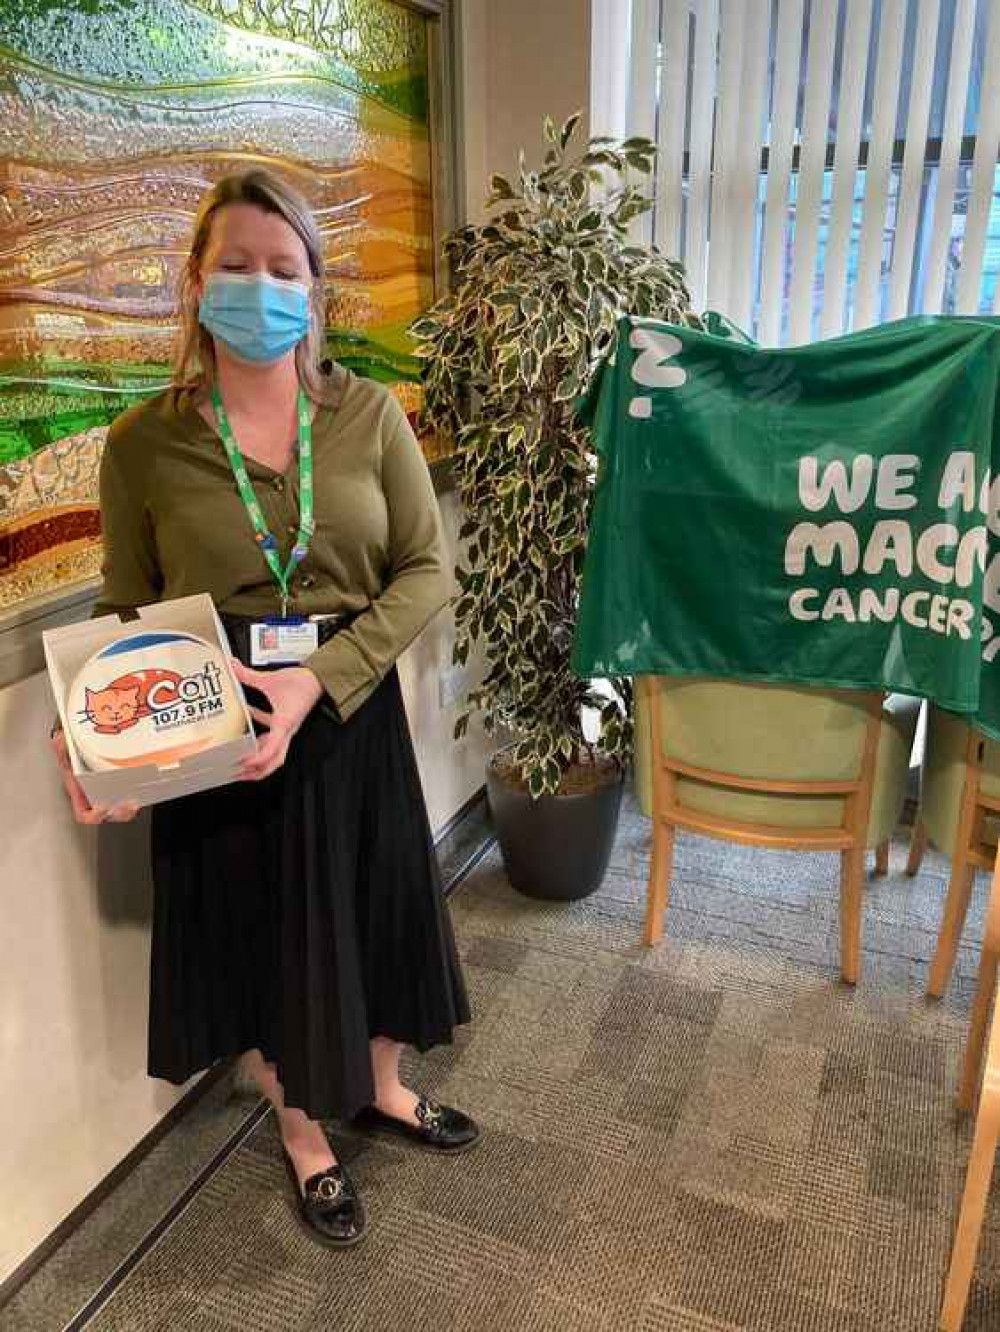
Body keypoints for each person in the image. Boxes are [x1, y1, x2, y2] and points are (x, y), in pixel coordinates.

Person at [50, 168, 476, 1248]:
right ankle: (302, 1134)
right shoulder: (145, 442)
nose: (258, 286)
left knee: (377, 905)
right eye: (235, 266)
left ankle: (380, 1085)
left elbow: (425, 572)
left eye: (282, 269)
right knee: (270, 931)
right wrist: (96, 738)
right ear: (193, 284)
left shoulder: (369, 415)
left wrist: (319, 681)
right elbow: (123, 605)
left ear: (315, 290)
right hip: (217, 713)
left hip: (347, 698)